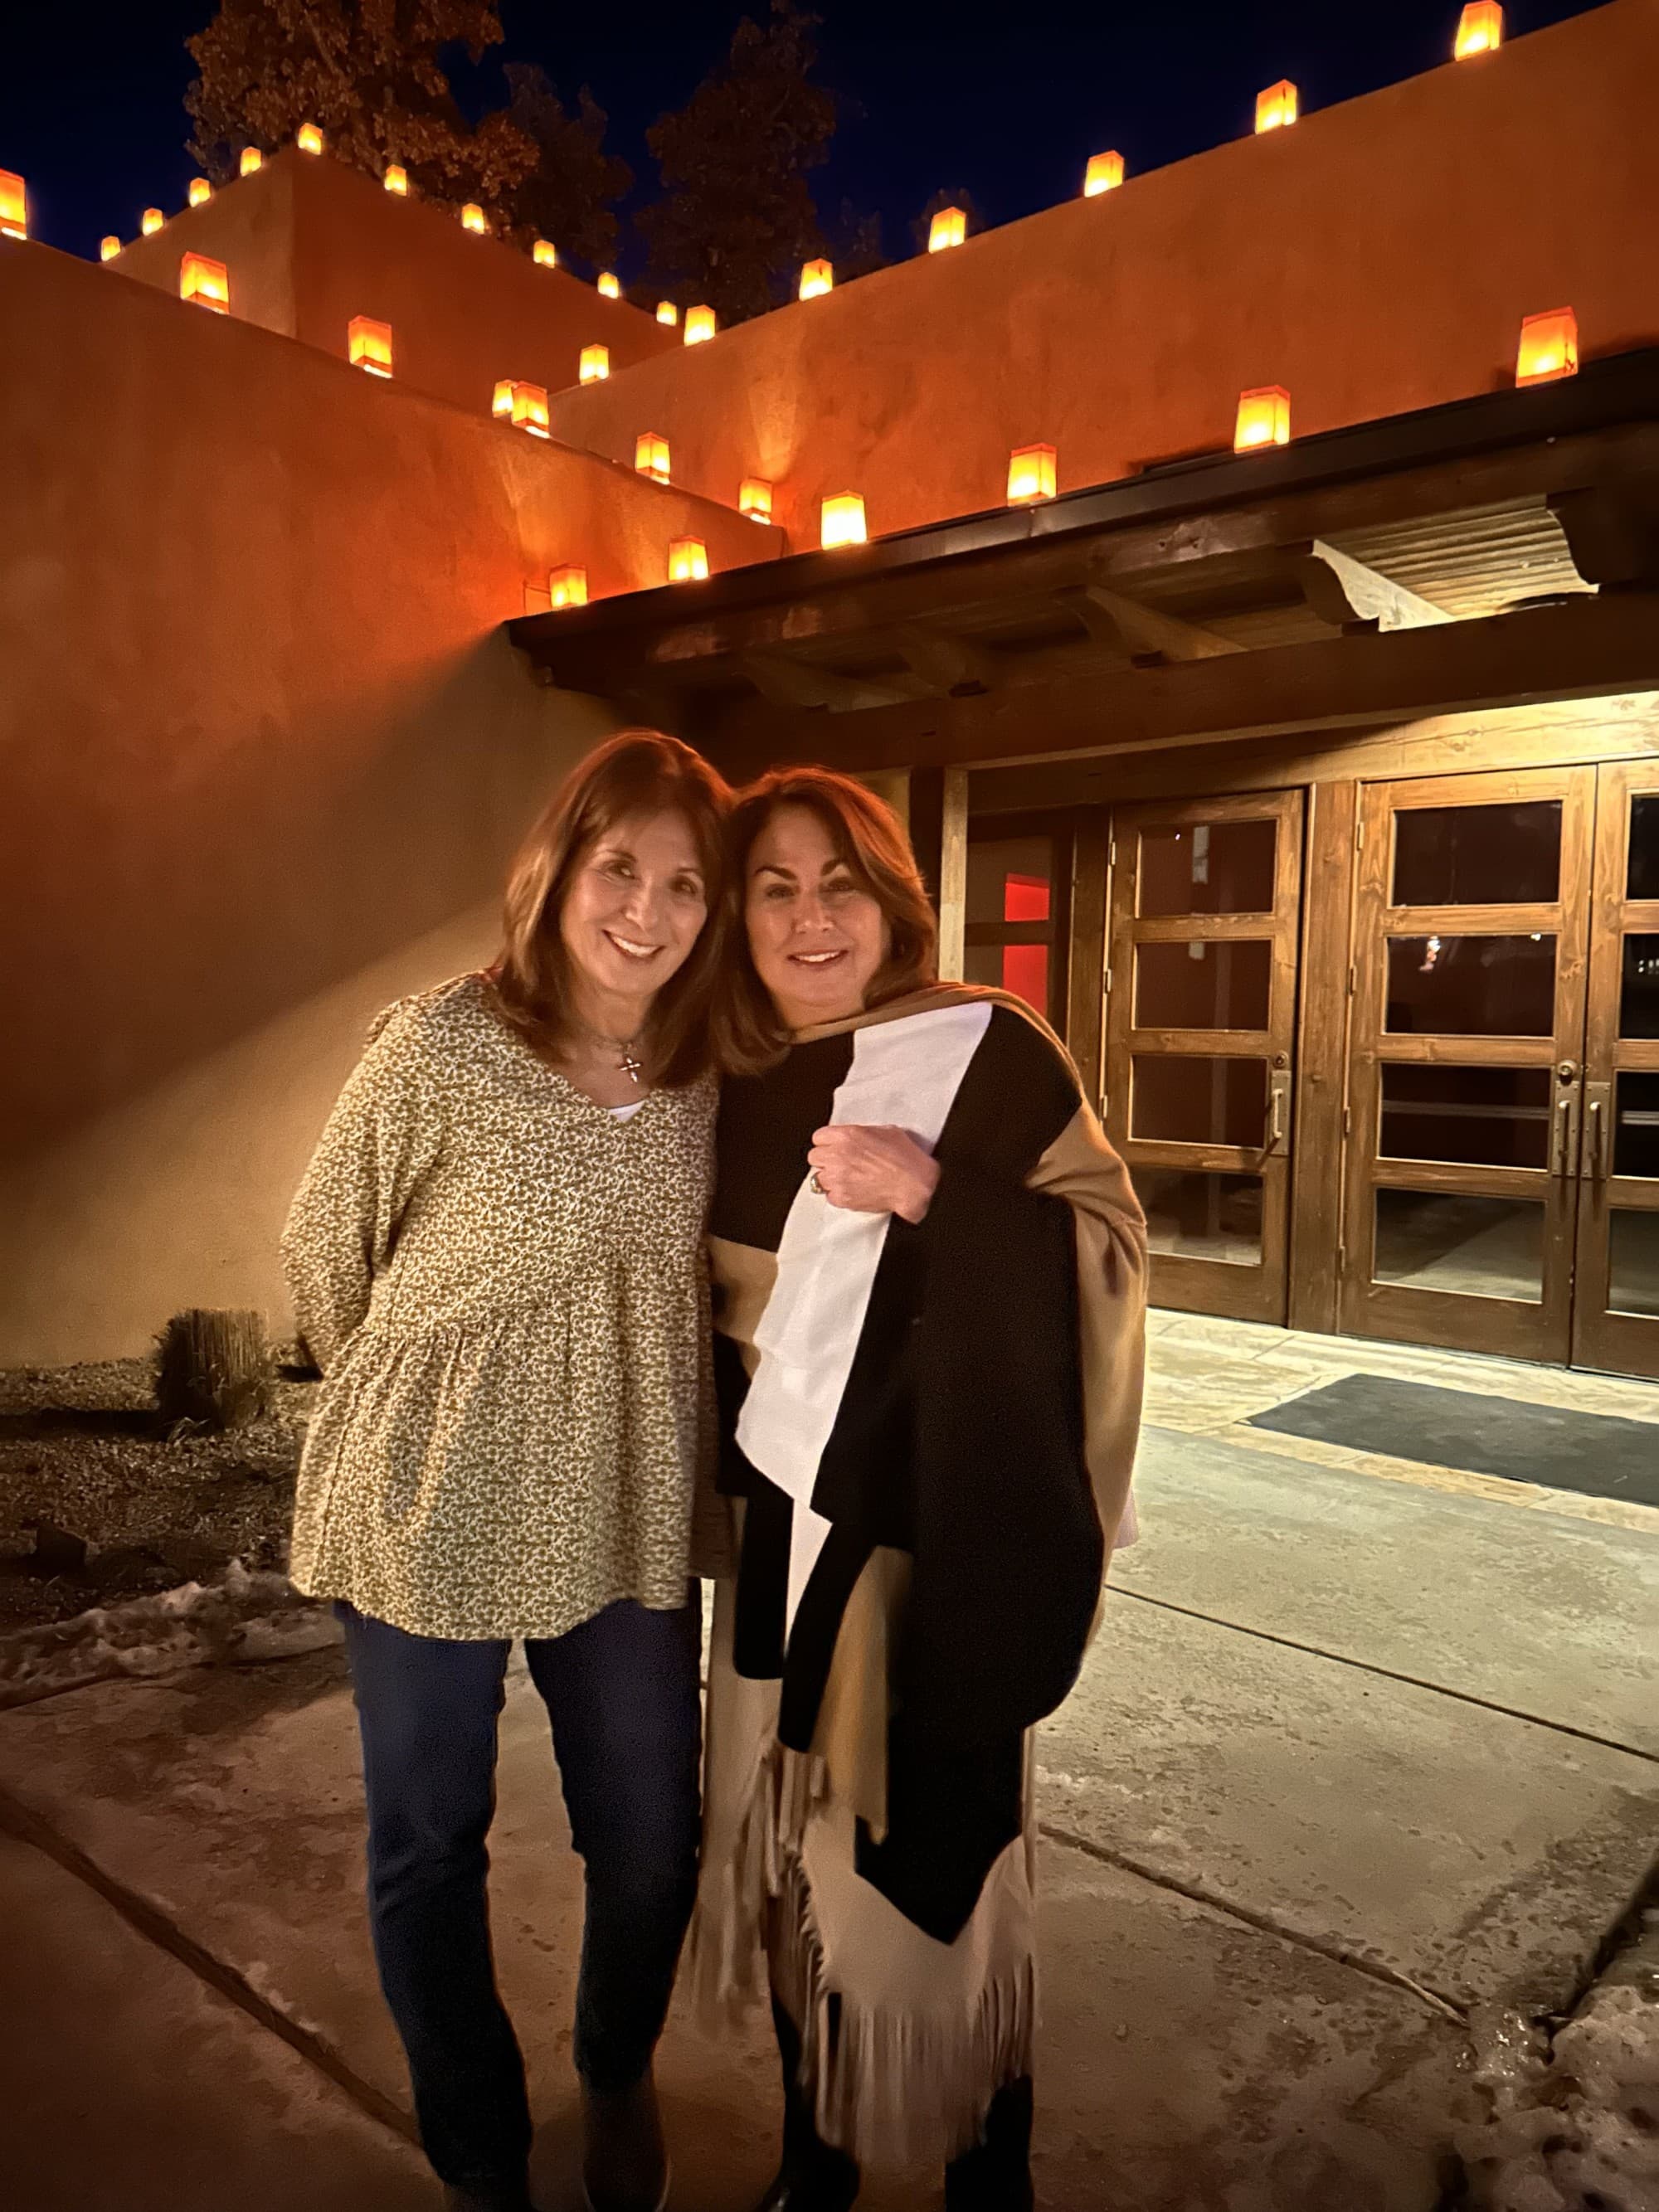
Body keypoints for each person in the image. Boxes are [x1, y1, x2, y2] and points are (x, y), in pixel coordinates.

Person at [280, 732, 732, 2212]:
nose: (647, 912)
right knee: (428, 1841)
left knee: (652, 1835)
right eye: (620, 868)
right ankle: (479, 2155)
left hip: (623, 1506)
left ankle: (614, 2069)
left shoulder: (718, 1071)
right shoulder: (437, 1045)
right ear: (558, 871)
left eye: (684, 882)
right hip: (427, 1495)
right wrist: (430, 1398)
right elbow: (322, 1256)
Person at [692, 768, 1147, 2212]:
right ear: (740, 916)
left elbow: (1112, 1258)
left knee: (938, 1863)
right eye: (776, 887)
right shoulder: (730, 1072)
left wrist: (941, 1199)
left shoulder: (987, 1050)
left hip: (941, 1533)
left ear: (892, 898)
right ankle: (812, 2158)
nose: (811, 917)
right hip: (786, 1537)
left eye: (841, 883)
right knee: (794, 1852)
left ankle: (981, 2166)